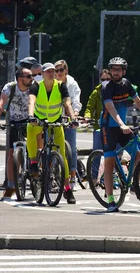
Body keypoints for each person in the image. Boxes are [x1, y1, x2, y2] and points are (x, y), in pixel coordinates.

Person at [100, 57, 140, 212]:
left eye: (119, 69)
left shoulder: (126, 84)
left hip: (123, 128)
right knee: (109, 161)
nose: (116, 72)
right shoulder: (106, 87)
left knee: (138, 156)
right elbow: (111, 108)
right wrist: (121, 124)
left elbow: (138, 101)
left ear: (124, 71)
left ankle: (135, 184)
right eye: (113, 69)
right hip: (108, 127)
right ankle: (110, 200)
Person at [26, 62, 79, 204]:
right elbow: (31, 101)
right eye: (48, 71)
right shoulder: (36, 86)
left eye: (53, 71)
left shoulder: (61, 86)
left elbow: (67, 103)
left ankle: (67, 189)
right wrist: (31, 116)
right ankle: (32, 162)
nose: (51, 73)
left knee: (63, 155)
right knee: (30, 129)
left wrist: (73, 119)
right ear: (42, 74)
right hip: (39, 120)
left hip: (55, 121)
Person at [0, 67, 34, 199]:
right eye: (29, 76)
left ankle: (37, 173)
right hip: (14, 121)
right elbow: (1, 104)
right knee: (11, 153)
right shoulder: (10, 87)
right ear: (20, 79)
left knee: (36, 149)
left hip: (31, 121)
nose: (32, 78)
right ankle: (10, 186)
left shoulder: (34, 87)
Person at [54, 60, 82, 191]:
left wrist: (75, 115)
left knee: (71, 146)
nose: (58, 73)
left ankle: (72, 176)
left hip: (68, 117)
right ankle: (53, 175)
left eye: (60, 70)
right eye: (56, 70)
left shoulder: (72, 84)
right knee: (53, 146)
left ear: (66, 71)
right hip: (54, 117)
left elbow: (75, 101)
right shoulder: (52, 83)